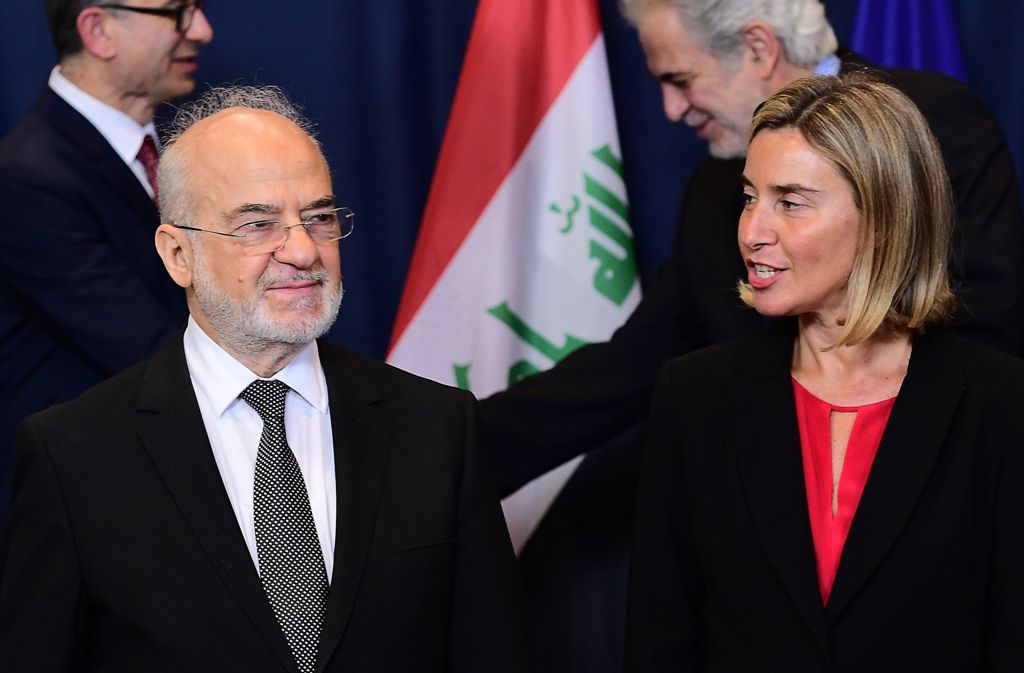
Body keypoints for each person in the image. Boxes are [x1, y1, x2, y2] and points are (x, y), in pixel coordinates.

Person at [477, 2, 1024, 671]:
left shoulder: (941, 124)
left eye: (680, 79)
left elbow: (988, 335)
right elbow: (628, 367)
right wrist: (438, 453)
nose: (671, 111)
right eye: (750, 198)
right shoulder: (712, 195)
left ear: (759, 47)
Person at [0, 85, 530, 673]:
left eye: (320, 218)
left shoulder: (438, 428)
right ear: (179, 255)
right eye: (257, 225)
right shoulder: (74, 455)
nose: (303, 250)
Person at [627, 72, 1024, 672]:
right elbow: (660, 642)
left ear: (885, 219)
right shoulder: (694, 395)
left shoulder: (1002, 404)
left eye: (789, 202)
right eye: (749, 197)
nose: (752, 232)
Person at [0, 0, 214, 519]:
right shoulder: (29, 180)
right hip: (90, 512)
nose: (202, 30)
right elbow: (149, 350)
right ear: (98, 30)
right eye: (177, 12)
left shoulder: (175, 153)